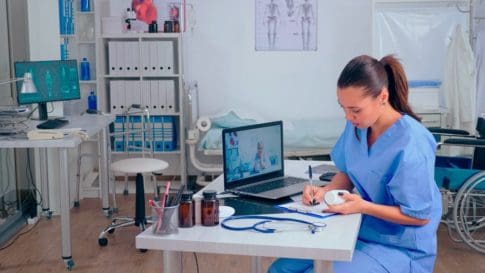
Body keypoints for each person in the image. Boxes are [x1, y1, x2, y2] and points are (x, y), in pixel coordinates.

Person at [267, 55, 442, 273]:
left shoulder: (412, 143)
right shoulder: (358, 126)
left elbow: (420, 217)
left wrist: (362, 206)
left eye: (355, 110)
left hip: (400, 246)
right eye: (344, 108)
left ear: (382, 97)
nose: (349, 117)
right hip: (359, 229)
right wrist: (325, 191)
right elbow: (349, 170)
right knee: (280, 270)